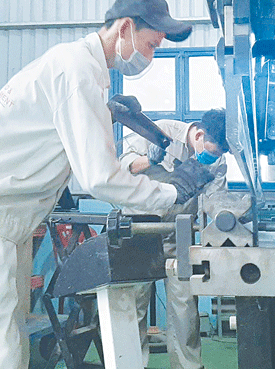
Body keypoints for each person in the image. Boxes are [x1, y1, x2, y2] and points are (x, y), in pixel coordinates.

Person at [0, 0, 215, 369]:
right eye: (150, 44)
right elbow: (99, 177)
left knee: (7, 348)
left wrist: (110, 117)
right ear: (125, 28)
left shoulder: (85, 71)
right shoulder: (76, 71)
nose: (152, 55)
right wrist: (171, 192)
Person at [119, 109, 229, 369]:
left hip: (179, 231)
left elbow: (215, 200)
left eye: (216, 156)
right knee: (134, 304)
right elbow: (121, 164)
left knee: (185, 308)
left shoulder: (217, 161)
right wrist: (148, 159)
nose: (211, 158)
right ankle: (133, 364)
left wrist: (228, 217)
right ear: (199, 135)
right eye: (210, 152)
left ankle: (188, 366)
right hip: (140, 226)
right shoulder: (160, 130)